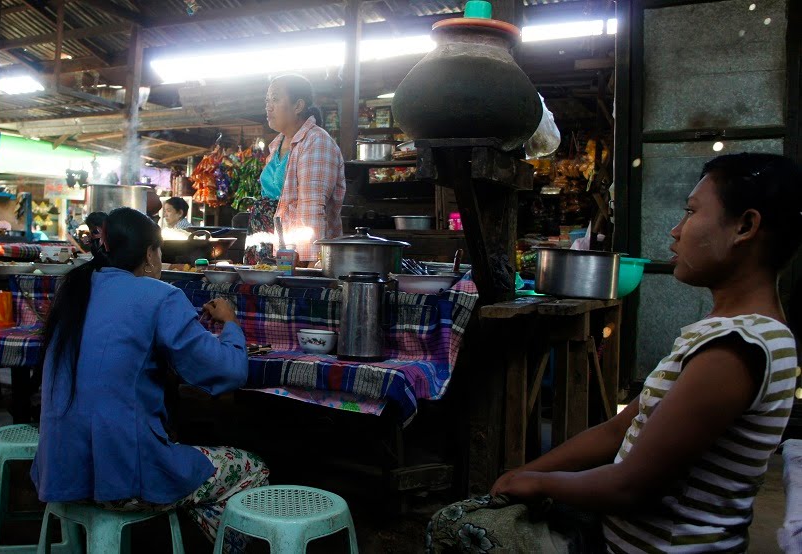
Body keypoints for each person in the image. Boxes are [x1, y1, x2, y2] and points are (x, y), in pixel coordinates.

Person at [428, 153, 801, 553]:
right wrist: (527, 471)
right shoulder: (739, 332)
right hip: (623, 537)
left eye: (691, 213)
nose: (676, 231)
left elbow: (631, 487)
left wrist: (536, 482)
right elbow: (619, 428)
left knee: (454, 529)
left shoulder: (734, 349)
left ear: (745, 226)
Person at [32, 207, 269, 551]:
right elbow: (228, 371)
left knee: (186, 467)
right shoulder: (159, 295)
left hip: (60, 472)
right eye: (160, 251)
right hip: (121, 479)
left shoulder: (74, 291)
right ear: (148, 254)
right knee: (250, 468)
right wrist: (230, 324)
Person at [253, 74, 346, 262]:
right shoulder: (276, 145)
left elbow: (311, 208)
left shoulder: (316, 142)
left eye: (275, 99)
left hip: (294, 254)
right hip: (266, 244)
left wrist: (309, 262)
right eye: (267, 100)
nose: (268, 106)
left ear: (298, 106)